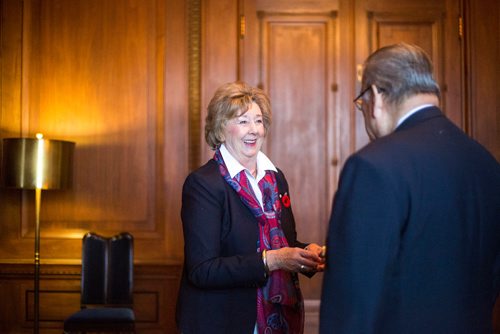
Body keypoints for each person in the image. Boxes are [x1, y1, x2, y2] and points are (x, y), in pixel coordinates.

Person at [320, 43, 500, 333]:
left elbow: (351, 306)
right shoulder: (487, 165)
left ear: (376, 95)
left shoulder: (372, 166)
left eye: (361, 103)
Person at [176, 81, 325, 333]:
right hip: (223, 321)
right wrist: (274, 260)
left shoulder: (275, 178)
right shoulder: (203, 184)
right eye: (243, 121)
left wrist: (306, 254)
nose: (254, 130)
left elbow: (282, 243)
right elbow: (203, 270)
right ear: (221, 129)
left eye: (258, 121)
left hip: (279, 318)